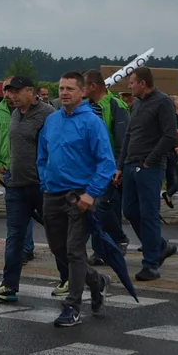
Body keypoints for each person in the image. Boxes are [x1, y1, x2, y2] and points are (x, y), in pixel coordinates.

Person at [37, 72, 115, 327]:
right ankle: (96, 280)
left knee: (74, 251)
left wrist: (91, 194)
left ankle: (72, 305)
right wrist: (45, 180)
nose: (64, 92)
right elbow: (43, 155)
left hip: (78, 196)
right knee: (58, 249)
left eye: (70, 88)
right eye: (61, 88)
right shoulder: (52, 121)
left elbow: (106, 162)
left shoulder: (92, 123)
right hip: (52, 194)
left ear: (82, 92)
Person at [0, 76, 58, 304]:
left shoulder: (48, 114)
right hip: (16, 186)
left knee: (56, 233)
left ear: (30, 91)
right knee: (14, 236)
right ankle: (9, 285)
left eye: (16, 91)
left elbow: (55, 148)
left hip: (41, 186)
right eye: (9, 91)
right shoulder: (14, 114)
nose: (12, 95)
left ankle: (70, 278)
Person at [116, 67, 178, 281]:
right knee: (130, 210)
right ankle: (160, 246)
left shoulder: (162, 102)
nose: (129, 86)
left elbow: (169, 135)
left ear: (142, 83)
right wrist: (120, 165)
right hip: (131, 165)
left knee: (149, 214)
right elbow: (129, 136)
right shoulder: (137, 104)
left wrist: (151, 161)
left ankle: (151, 264)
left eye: (132, 82)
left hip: (150, 167)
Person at [82, 70, 131, 265]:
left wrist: (118, 168)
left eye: (83, 85)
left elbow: (122, 140)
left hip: (108, 167)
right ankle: (101, 251)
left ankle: (118, 240)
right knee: (94, 209)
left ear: (93, 86)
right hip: (89, 167)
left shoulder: (115, 105)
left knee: (104, 206)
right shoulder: (85, 107)